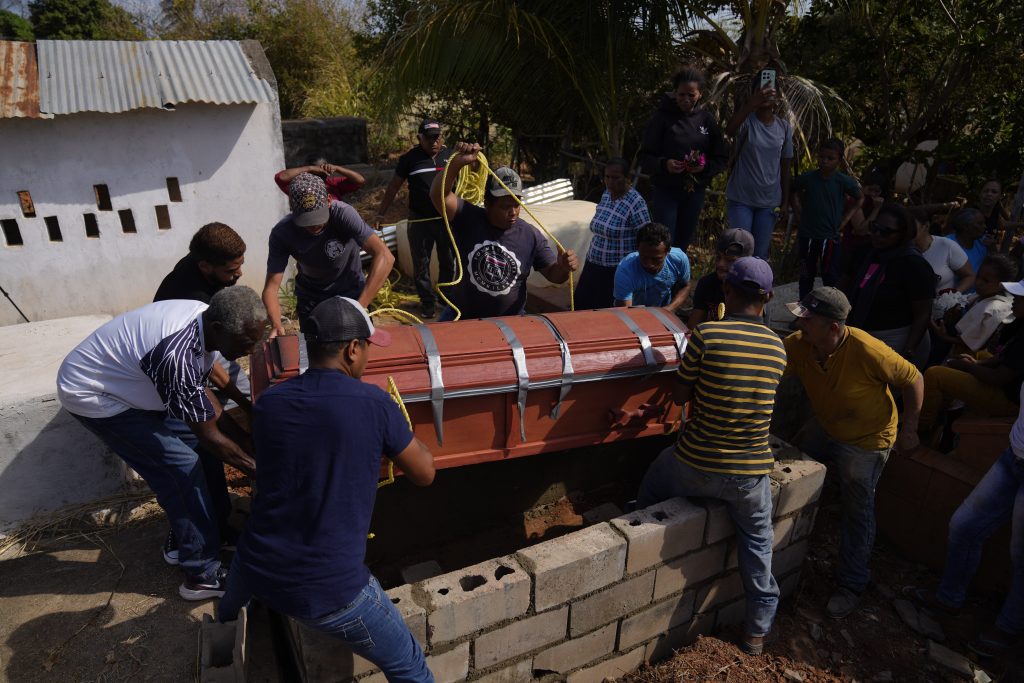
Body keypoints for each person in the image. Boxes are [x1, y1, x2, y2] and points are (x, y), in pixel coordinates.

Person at [218, 296, 435, 681]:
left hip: (256, 563)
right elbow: (424, 474)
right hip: (328, 590)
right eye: (367, 347)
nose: (367, 356)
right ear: (353, 349)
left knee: (228, 615)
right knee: (411, 667)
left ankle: (223, 642)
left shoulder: (271, 402)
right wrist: (397, 427)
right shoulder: (374, 404)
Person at [56, 287, 267, 600]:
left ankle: (210, 532)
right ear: (220, 331)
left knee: (198, 452)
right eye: (247, 343)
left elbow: (205, 402)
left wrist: (249, 443)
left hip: (137, 383)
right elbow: (208, 434)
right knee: (179, 467)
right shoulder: (176, 354)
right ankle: (200, 572)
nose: (252, 350)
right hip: (97, 394)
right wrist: (260, 472)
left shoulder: (206, 319)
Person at [638, 257, 785, 655]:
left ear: (727, 292)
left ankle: (633, 552)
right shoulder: (778, 347)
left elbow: (680, 396)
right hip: (749, 477)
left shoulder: (706, 335)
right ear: (768, 297)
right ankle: (756, 633)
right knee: (758, 544)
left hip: (695, 465)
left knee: (651, 482)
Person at [784, 287, 923, 618]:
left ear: (832, 328)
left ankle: (852, 583)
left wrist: (911, 427)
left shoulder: (866, 348)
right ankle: (794, 539)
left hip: (867, 439)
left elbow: (914, 378)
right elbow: (767, 366)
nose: (799, 324)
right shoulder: (801, 344)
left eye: (808, 319)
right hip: (828, 423)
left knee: (857, 508)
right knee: (792, 464)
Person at [909, 389, 1024, 658]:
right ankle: (949, 599)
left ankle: (1007, 629)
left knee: (1022, 556)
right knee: (964, 526)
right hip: (1013, 457)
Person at [429, 142, 578, 320]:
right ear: (488, 204)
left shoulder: (530, 235)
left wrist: (563, 267)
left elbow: (554, 276)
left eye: (517, 204)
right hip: (461, 316)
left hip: (510, 322)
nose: (513, 212)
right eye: (506, 206)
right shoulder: (468, 218)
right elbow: (439, 195)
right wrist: (456, 163)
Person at [263, 173, 394, 337]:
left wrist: (359, 308)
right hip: (312, 298)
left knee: (354, 350)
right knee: (316, 352)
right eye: (307, 220)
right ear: (293, 210)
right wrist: (276, 324)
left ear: (329, 201)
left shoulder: (343, 214)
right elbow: (271, 288)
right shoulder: (282, 233)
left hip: (351, 294)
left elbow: (385, 256)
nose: (314, 225)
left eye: (318, 217)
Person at [154, 222, 252, 410]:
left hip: (188, 335)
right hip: (172, 349)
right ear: (205, 267)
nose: (239, 273)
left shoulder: (198, 258)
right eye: (231, 271)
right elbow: (212, 367)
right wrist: (245, 405)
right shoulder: (196, 304)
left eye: (240, 265)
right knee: (240, 389)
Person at [918, 282, 1024, 442]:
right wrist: (977, 363)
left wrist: (967, 366)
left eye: (1020, 298)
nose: (1014, 299)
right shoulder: (1020, 322)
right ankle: (944, 408)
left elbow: (999, 378)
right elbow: (1004, 357)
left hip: (1009, 400)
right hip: (1007, 383)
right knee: (974, 354)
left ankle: (921, 430)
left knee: (934, 374)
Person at [639, 65, 728, 251]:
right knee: (663, 241)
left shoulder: (706, 120)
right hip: (666, 191)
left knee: (683, 242)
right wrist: (665, 164)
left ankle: (678, 279)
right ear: (674, 93)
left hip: (694, 193)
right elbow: (645, 157)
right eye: (681, 95)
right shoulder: (661, 118)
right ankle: (661, 278)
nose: (686, 99)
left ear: (700, 94)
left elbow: (721, 157)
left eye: (691, 95)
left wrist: (703, 167)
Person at [375, 119, 456, 318]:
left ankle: (444, 300)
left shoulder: (450, 156)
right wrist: (380, 213)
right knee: (421, 263)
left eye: (437, 138)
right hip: (419, 220)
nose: (434, 142)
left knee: (448, 260)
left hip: (446, 219)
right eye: (429, 138)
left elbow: (464, 181)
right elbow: (394, 186)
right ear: (420, 138)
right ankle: (427, 303)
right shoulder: (409, 159)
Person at [844, 202, 934, 367]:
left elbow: (923, 314)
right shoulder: (865, 253)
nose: (877, 234)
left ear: (903, 234)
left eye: (885, 232)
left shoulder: (914, 265)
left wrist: (908, 351)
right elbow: (844, 285)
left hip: (895, 339)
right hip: (858, 332)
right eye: (874, 228)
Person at [724, 78, 795, 259]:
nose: (765, 94)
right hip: (741, 198)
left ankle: (754, 288)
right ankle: (731, 286)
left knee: (759, 255)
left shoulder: (784, 128)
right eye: (760, 91)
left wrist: (785, 202)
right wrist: (750, 105)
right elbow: (730, 130)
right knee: (738, 250)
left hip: (769, 202)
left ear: (778, 97)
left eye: (770, 90)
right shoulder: (747, 121)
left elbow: (785, 166)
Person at [574, 158, 652, 309]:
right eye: (607, 177)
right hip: (593, 263)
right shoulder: (606, 195)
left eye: (615, 177)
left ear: (627, 179)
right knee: (581, 305)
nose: (610, 181)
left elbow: (646, 236)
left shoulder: (636, 203)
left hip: (616, 270)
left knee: (606, 311)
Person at [790, 138, 862, 299]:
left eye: (830, 158)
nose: (825, 162)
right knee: (806, 274)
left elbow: (860, 198)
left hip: (829, 236)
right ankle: (804, 311)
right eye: (822, 157)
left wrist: (845, 220)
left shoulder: (843, 181)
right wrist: (798, 211)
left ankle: (828, 312)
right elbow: (792, 190)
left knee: (830, 276)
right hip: (807, 234)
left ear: (839, 160)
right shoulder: (808, 178)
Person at [930, 255, 1016, 358]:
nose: (979, 282)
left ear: (1002, 285)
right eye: (978, 276)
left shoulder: (993, 308)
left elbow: (972, 344)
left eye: (986, 281)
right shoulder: (979, 296)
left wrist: (942, 335)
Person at [613, 222, 691, 311]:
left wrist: (668, 309)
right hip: (634, 315)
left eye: (656, 259)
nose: (649, 264)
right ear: (637, 248)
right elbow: (626, 312)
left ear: (668, 251)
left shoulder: (679, 259)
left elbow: (685, 286)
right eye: (644, 257)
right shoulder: (625, 270)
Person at [688, 228, 755, 328]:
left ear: (746, 263)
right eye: (718, 257)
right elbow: (693, 327)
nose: (720, 264)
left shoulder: (754, 290)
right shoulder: (706, 284)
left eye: (730, 260)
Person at [912, 209, 974, 294]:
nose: (907, 231)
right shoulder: (899, 250)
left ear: (926, 226)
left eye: (912, 226)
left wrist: (952, 297)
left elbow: (970, 276)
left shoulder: (946, 245)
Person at [274, 160, 365, 201]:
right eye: (318, 170)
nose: (323, 173)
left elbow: (360, 180)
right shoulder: (299, 186)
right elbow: (281, 177)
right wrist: (309, 168)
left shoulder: (332, 184)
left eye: (325, 170)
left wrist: (337, 168)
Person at [944, 208, 988, 276]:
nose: (985, 226)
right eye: (980, 223)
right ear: (966, 226)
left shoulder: (982, 243)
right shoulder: (946, 245)